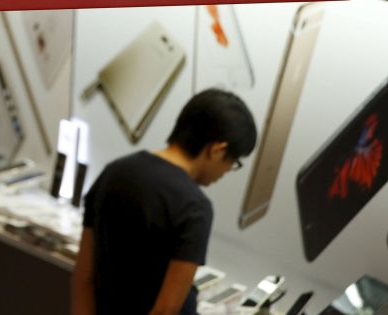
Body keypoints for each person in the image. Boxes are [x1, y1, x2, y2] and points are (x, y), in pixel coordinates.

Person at [71, 89, 257, 315]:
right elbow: (165, 310)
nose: (227, 171)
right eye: (234, 162)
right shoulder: (194, 207)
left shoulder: (115, 171)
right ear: (217, 150)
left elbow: (83, 279)